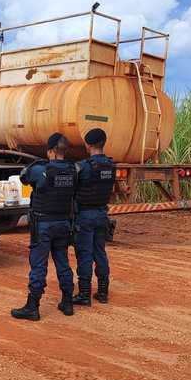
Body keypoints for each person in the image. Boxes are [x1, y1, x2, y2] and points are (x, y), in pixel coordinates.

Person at [11, 133, 77, 321]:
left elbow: (24, 177)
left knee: (39, 265)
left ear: (50, 151)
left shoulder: (41, 169)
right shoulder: (73, 170)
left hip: (43, 224)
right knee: (62, 261)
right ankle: (67, 302)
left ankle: (33, 306)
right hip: (64, 223)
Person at [72, 127, 116, 305]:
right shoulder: (111, 165)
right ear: (103, 143)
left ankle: (84, 294)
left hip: (85, 215)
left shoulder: (83, 167)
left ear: (87, 144)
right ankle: (103, 292)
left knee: (85, 254)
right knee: (100, 252)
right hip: (102, 214)